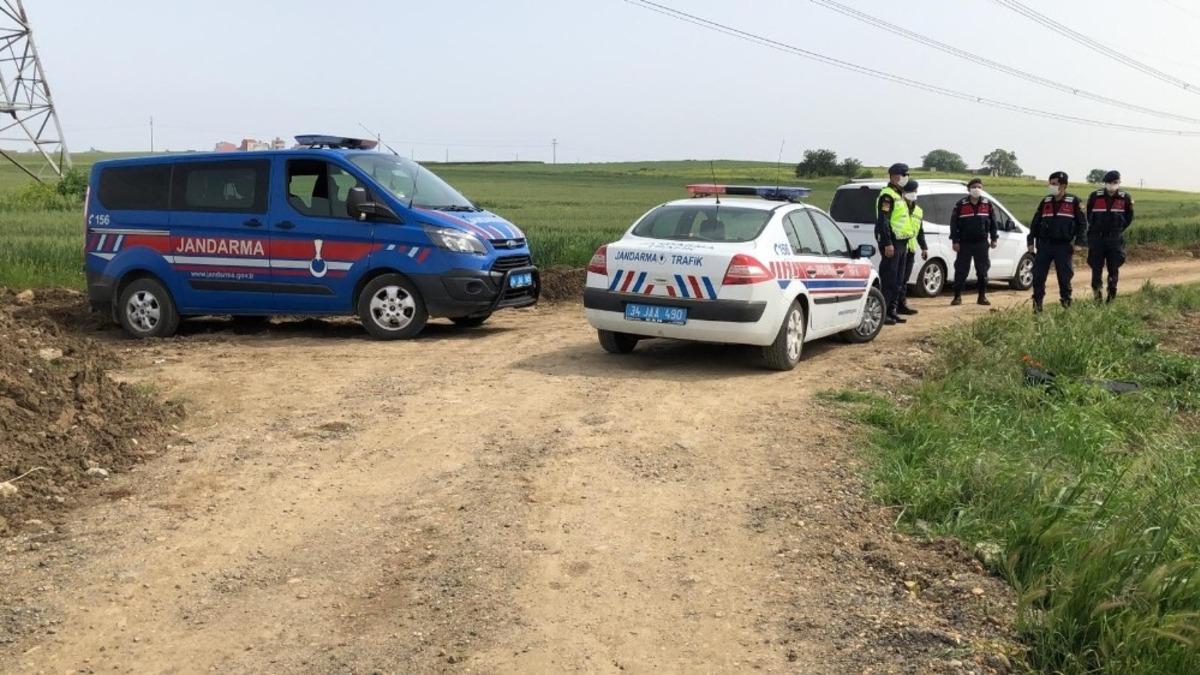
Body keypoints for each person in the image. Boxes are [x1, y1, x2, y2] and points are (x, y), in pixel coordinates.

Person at [1028, 171, 1088, 313]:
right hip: (1045, 245)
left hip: (1063, 246)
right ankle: (1037, 308)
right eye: (1050, 183)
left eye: (1054, 184)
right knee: (1038, 276)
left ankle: (1066, 306)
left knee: (1064, 277)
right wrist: (1030, 240)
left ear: (1064, 186)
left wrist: (1079, 242)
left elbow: (1082, 224)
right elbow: (1035, 223)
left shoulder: (1074, 202)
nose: (1051, 186)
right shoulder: (1046, 201)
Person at [875, 163, 919, 325]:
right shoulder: (887, 196)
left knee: (898, 280)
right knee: (889, 280)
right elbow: (883, 220)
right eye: (904, 175)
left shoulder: (899, 194)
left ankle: (892, 311)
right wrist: (887, 243)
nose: (906, 178)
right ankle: (883, 313)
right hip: (891, 242)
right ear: (894, 176)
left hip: (902, 243)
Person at [1086, 170, 1135, 303]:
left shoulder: (1125, 198)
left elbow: (1129, 217)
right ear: (1105, 183)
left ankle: (1111, 296)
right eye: (1109, 183)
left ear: (1119, 183)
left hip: (1114, 239)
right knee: (1096, 268)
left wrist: (1118, 229)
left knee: (1113, 268)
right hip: (1097, 238)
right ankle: (1097, 297)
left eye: (1114, 183)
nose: (1111, 185)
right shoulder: (1095, 196)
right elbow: (1089, 214)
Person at [949, 178, 999, 306]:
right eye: (974, 187)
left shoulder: (987, 204)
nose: (977, 189)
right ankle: (957, 297)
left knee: (982, 271)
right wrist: (955, 241)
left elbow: (993, 223)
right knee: (961, 271)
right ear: (969, 189)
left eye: (979, 187)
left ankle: (982, 297)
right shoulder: (960, 204)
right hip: (964, 243)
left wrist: (994, 238)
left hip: (981, 243)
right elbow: (954, 224)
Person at [896, 180, 929, 316]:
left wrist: (924, 247)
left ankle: (902, 305)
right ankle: (892, 307)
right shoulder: (899, 206)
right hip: (899, 247)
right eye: (911, 191)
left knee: (904, 279)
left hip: (910, 249)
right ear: (903, 193)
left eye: (915, 191)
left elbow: (919, 231)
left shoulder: (918, 211)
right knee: (896, 279)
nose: (914, 194)